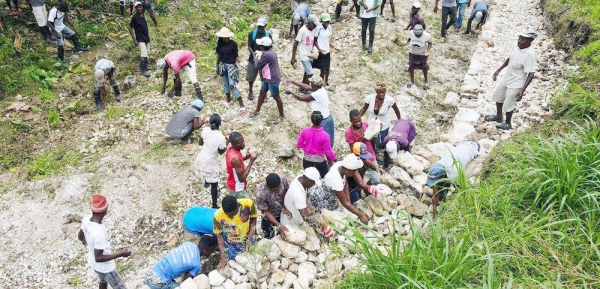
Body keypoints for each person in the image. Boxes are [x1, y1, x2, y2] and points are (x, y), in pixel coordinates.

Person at [484, 30, 537, 130]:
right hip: (507, 78)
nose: (519, 41)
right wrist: (498, 70)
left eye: (523, 40)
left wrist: (522, 90)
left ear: (530, 41)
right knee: (498, 97)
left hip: (516, 82)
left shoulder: (530, 55)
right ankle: (499, 116)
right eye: (519, 38)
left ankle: (508, 123)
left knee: (509, 103)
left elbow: (531, 74)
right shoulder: (517, 47)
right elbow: (510, 59)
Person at [78, 194, 131, 289]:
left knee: (103, 280)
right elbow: (99, 258)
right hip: (106, 268)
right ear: (104, 211)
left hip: (93, 262)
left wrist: (86, 243)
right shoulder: (99, 233)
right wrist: (121, 254)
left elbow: (80, 235)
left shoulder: (86, 220)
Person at [309, 154, 370, 224]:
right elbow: (344, 203)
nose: (354, 174)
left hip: (330, 194)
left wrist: (349, 202)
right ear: (347, 170)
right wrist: (361, 215)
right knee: (328, 217)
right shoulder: (336, 180)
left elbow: (345, 184)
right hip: (321, 198)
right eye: (354, 171)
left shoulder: (341, 165)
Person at [425, 141, 480, 217]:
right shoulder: (438, 166)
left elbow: (461, 190)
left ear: (443, 175)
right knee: (441, 187)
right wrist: (435, 213)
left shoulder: (455, 174)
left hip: (476, 151)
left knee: (461, 187)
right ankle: (442, 200)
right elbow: (435, 190)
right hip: (463, 144)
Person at [145, 236, 216, 289]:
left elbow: (183, 260)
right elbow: (187, 281)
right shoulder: (197, 264)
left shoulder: (188, 244)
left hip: (150, 273)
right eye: (212, 250)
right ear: (205, 250)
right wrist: (204, 272)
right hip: (158, 282)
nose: (212, 252)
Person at [285, 76, 334, 147]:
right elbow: (306, 87)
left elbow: (301, 98)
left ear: (314, 85)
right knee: (326, 141)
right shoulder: (320, 89)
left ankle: (326, 155)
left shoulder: (317, 94)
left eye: (311, 83)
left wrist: (291, 92)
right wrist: (293, 82)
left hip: (323, 121)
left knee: (325, 143)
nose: (310, 84)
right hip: (326, 118)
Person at [214, 195, 258, 269]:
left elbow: (253, 218)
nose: (230, 217)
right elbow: (219, 235)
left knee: (253, 261)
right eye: (227, 215)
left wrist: (250, 237)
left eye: (232, 215)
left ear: (237, 206)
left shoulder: (248, 204)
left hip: (248, 238)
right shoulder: (218, 215)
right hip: (232, 243)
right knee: (234, 265)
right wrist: (222, 257)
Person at [249, 37, 285, 124]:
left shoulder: (266, 55)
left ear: (263, 46)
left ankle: (281, 115)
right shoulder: (271, 51)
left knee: (276, 97)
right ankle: (257, 110)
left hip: (272, 79)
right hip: (267, 77)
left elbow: (257, 66)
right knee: (262, 93)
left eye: (261, 45)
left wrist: (255, 57)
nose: (260, 47)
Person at [195, 114, 227, 208]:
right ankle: (214, 204)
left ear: (209, 122)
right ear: (220, 124)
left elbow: (200, 143)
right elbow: (220, 152)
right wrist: (227, 143)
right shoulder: (221, 137)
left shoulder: (205, 130)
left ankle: (206, 182)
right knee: (214, 183)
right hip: (211, 161)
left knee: (205, 172)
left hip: (202, 157)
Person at [359, 82, 402, 151]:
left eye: (383, 92)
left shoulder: (390, 100)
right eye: (379, 92)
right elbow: (364, 108)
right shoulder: (370, 98)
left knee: (381, 144)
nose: (382, 94)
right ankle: (372, 153)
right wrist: (358, 117)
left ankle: (381, 156)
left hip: (383, 125)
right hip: (371, 124)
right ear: (376, 92)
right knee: (370, 140)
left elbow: (396, 110)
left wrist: (400, 120)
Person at [296, 111, 337, 178]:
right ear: (321, 120)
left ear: (311, 120)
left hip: (307, 160)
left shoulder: (305, 131)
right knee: (324, 178)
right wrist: (335, 159)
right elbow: (328, 152)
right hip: (319, 161)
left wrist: (306, 146)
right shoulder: (325, 135)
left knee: (309, 178)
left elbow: (299, 145)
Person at [215, 27, 244, 110]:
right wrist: (217, 66)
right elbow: (219, 56)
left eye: (226, 37)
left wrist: (241, 62)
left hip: (231, 66)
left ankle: (241, 104)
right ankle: (228, 100)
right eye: (224, 37)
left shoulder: (233, 44)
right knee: (226, 84)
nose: (225, 39)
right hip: (223, 66)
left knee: (232, 86)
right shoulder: (220, 45)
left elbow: (236, 55)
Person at [255, 173, 290, 239]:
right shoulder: (261, 194)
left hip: (282, 211)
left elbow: (285, 190)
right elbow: (266, 211)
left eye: (280, 188)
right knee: (270, 236)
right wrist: (278, 225)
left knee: (283, 234)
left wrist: (284, 205)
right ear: (269, 188)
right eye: (276, 190)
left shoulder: (282, 179)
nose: (279, 191)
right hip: (270, 217)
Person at [225, 131, 258, 198]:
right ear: (233, 144)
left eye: (243, 141)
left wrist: (246, 157)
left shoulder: (230, 149)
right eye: (240, 143)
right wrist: (251, 161)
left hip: (232, 184)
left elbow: (236, 163)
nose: (243, 144)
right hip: (238, 189)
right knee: (247, 206)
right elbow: (242, 178)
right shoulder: (235, 159)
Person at [246, 17, 271, 101]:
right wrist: (253, 54)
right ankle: (250, 91)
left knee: (264, 77)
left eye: (262, 27)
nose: (260, 28)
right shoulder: (252, 34)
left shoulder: (268, 34)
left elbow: (270, 47)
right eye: (259, 26)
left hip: (264, 60)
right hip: (253, 58)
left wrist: (265, 55)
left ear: (265, 26)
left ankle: (264, 94)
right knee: (251, 76)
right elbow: (249, 46)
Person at [291, 15, 318, 86]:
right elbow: (295, 43)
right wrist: (293, 57)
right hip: (303, 55)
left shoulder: (313, 30)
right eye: (314, 25)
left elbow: (312, 42)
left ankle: (302, 88)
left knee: (307, 72)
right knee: (310, 73)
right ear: (309, 23)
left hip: (310, 54)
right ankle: (307, 89)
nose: (315, 27)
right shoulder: (302, 30)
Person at [129, 1, 151, 77]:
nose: (139, 8)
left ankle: (146, 67)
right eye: (137, 7)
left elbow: (146, 4)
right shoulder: (135, 17)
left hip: (146, 37)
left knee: (148, 53)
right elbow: (130, 28)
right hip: (140, 38)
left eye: (140, 6)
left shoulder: (143, 14)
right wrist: (134, 39)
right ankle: (142, 70)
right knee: (144, 53)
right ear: (135, 8)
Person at [406, 24, 432, 90]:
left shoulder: (427, 36)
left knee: (424, 67)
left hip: (422, 54)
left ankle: (426, 81)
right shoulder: (411, 33)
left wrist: (427, 50)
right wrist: (407, 42)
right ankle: (412, 81)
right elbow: (409, 38)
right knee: (411, 66)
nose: (417, 36)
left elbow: (430, 43)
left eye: (419, 35)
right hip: (412, 53)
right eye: (416, 35)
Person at [313, 13, 334, 88]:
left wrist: (332, 45)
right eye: (325, 22)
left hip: (327, 50)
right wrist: (320, 50)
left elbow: (328, 38)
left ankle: (326, 81)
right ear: (322, 21)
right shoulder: (318, 28)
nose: (327, 23)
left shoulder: (329, 28)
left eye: (328, 21)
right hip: (320, 51)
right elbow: (315, 41)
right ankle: (320, 83)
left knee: (327, 68)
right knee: (322, 69)